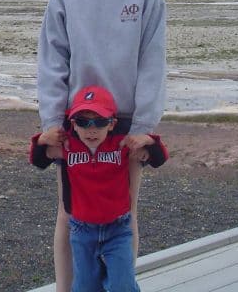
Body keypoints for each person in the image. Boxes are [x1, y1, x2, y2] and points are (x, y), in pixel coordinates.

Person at [37, 0, 167, 291]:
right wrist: (51, 123)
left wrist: (145, 126)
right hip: (77, 123)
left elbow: (152, 62)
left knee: (125, 213)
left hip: (125, 123)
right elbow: (52, 60)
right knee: (68, 212)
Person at [30, 85, 168, 292]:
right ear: (73, 125)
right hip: (82, 232)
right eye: (83, 122)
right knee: (86, 286)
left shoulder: (121, 145)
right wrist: (42, 139)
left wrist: (149, 139)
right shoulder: (67, 146)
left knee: (123, 285)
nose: (91, 129)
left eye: (100, 122)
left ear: (112, 124)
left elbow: (159, 158)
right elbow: (38, 160)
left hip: (118, 230)